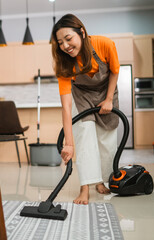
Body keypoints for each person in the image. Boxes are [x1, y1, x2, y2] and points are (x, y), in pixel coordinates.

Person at [51, 14, 120, 205]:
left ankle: (103, 181)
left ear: (81, 32)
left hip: (106, 90)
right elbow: (66, 106)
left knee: (107, 139)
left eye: (68, 38)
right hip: (82, 96)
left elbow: (114, 70)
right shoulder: (64, 63)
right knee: (86, 136)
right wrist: (69, 143)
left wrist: (108, 99)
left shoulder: (104, 44)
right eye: (60, 42)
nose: (65, 45)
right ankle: (85, 188)